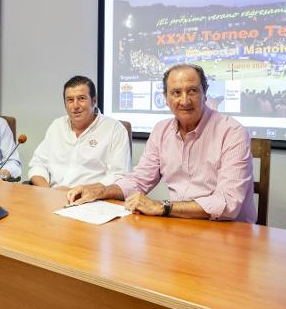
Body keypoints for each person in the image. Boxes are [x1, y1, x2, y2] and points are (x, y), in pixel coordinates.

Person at [67, 64, 256, 223]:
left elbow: (228, 203)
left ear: (205, 93)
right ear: (165, 98)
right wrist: (101, 190)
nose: (184, 100)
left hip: (227, 232)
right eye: (176, 92)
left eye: (192, 91)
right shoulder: (161, 130)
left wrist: (162, 207)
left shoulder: (232, 133)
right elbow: (139, 180)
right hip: (179, 225)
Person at [28, 76, 131, 190]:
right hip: (52, 196)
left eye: (81, 98)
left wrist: (79, 191)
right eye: (70, 100)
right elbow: (38, 164)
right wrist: (47, 190)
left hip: (92, 201)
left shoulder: (115, 130)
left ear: (94, 101)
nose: (75, 106)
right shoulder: (56, 126)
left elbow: (119, 176)